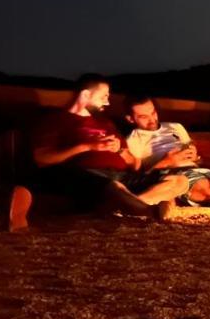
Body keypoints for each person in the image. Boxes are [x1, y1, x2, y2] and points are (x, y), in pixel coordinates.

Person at [28, 74, 187, 222]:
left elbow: (136, 165)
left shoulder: (106, 123)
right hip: (89, 174)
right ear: (85, 95)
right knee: (114, 187)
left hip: (123, 176)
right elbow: (41, 158)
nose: (108, 102)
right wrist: (87, 146)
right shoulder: (57, 119)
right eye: (104, 97)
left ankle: (125, 208)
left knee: (180, 181)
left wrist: (120, 151)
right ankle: (147, 211)